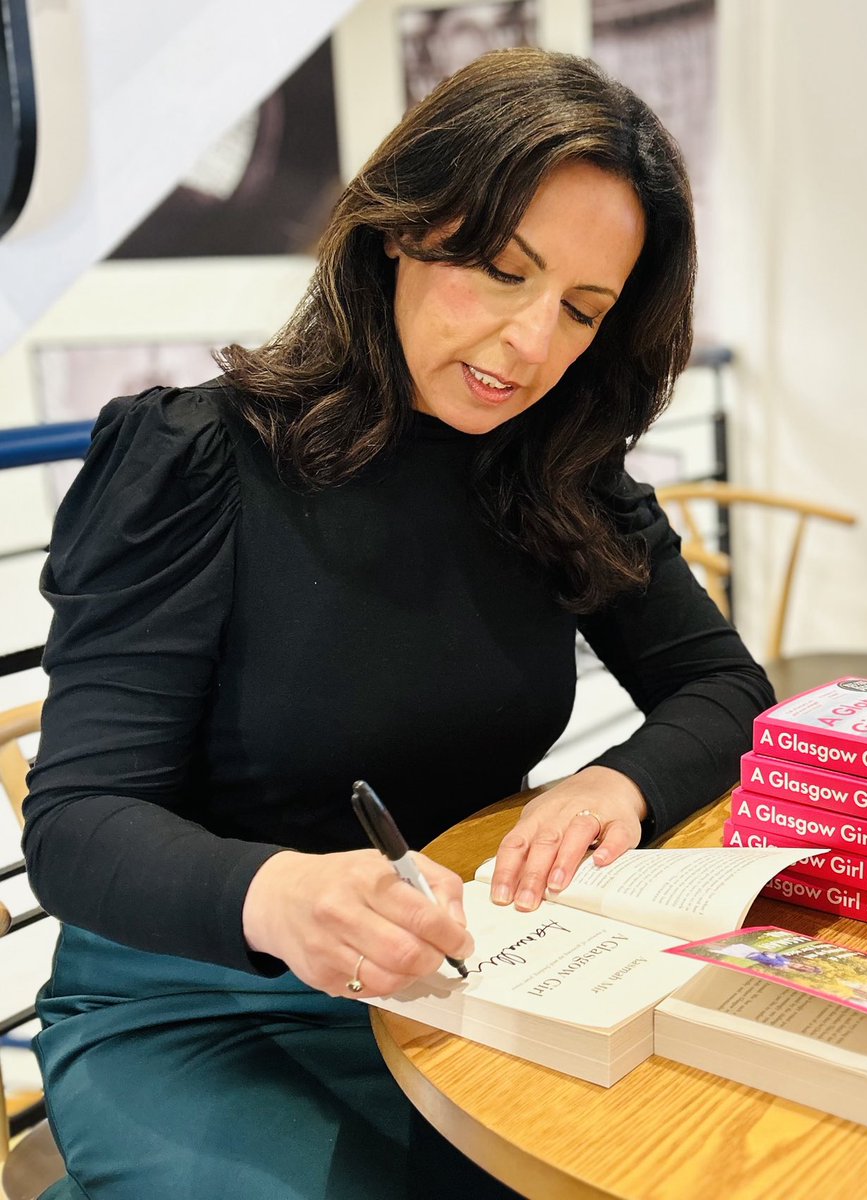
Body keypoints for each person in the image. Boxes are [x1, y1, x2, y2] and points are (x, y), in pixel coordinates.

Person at [23, 47, 774, 1200]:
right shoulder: (197, 461)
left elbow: (724, 691)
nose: (532, 346)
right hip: (200, 993)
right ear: (398, 232)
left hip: (458, 974)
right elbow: (77, 822)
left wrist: (615, 783)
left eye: (580, 310)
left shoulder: (560, 472)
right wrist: (276, 894)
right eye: (499, 271)